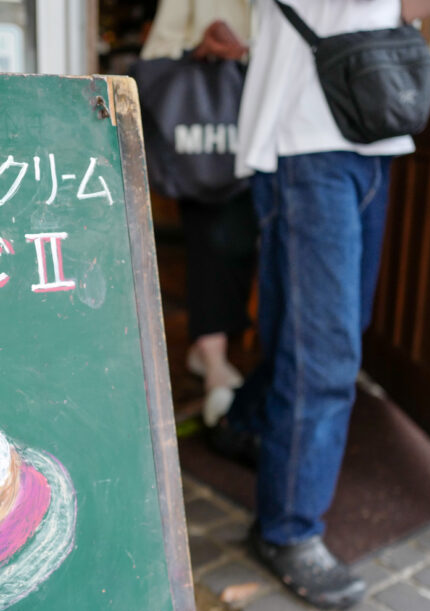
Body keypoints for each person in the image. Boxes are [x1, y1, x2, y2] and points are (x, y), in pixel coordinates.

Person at [217, 0, 430, 610]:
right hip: (307, 142)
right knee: (324, 346)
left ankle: (243, 423)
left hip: (366, 135)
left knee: (327, 330)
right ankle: (287, 528)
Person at [140, 0, 258, 427]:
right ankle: (213, 360)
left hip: (271, 125)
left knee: (244, 243)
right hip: (209, 129)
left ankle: (208, 351)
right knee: (215, 242)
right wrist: (202, 46)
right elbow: (157, 55)